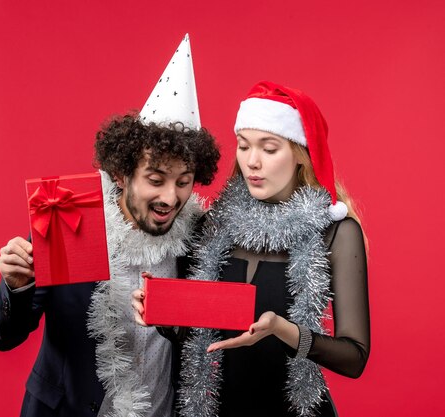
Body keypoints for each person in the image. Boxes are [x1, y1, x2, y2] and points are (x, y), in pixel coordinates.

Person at [0, 34, 220, 417]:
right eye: (156, 179)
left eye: (183, 181)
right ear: (122, 172)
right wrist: (17, 286)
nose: (171, 198)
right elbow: (4, 337)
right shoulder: (68, 218)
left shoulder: (199, 235)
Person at [133, 80, 369, 417]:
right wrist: (160, 312)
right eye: (244, 146)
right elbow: (194, 336)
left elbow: (354, 357)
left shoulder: (336, 232)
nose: (252, 162)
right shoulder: (211, 226)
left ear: (300, 156)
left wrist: (282, 330)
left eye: (269, 149)